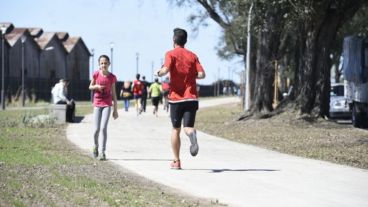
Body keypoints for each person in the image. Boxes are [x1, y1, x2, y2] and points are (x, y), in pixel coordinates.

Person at [156, 28, 206, 169]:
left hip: (176, 99)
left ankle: (176, 161)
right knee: (188, 127)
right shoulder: (193, 55)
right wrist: (191, 76)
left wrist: (158, 72)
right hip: (191, 98)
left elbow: (165, 70)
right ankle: (192, 134)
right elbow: (202, 74)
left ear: (174, 41)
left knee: (175, 129)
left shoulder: (170, 54)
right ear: (185, 41)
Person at [89, 55, 118, 161]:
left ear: (109, 64)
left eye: (105, 63)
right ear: (99, 64)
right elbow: (90, 86)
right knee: (96, 129)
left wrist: (115, 110)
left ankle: (102, 152)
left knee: (103, 128)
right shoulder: (96, 74)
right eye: (101, 63)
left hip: (107, 104)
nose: (103, 65)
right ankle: (95, 146)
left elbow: (114, 93)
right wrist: (96, 87)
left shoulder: (112, 77)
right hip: (97, 103)